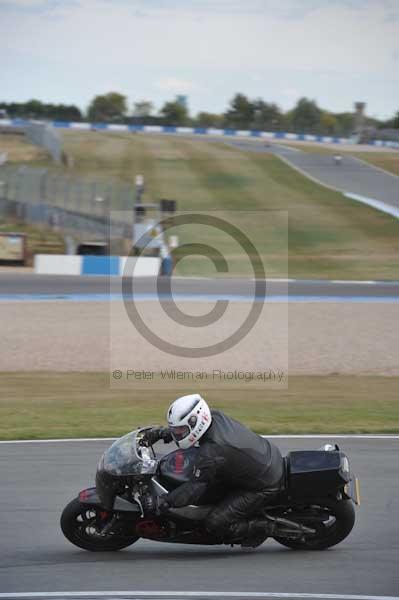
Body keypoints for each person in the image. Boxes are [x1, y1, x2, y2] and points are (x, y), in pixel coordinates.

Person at [142, 393, 285, 547]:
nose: (177, 434)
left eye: (180, 430)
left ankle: (264, 527)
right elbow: (192, 432)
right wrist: (161, 433)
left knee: (215, 523)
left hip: (264, 484)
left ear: (195, 422)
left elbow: (194, 489)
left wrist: (164, 501)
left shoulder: (211, 453)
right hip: (264, 457)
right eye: (175, 430)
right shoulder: (213, 417)